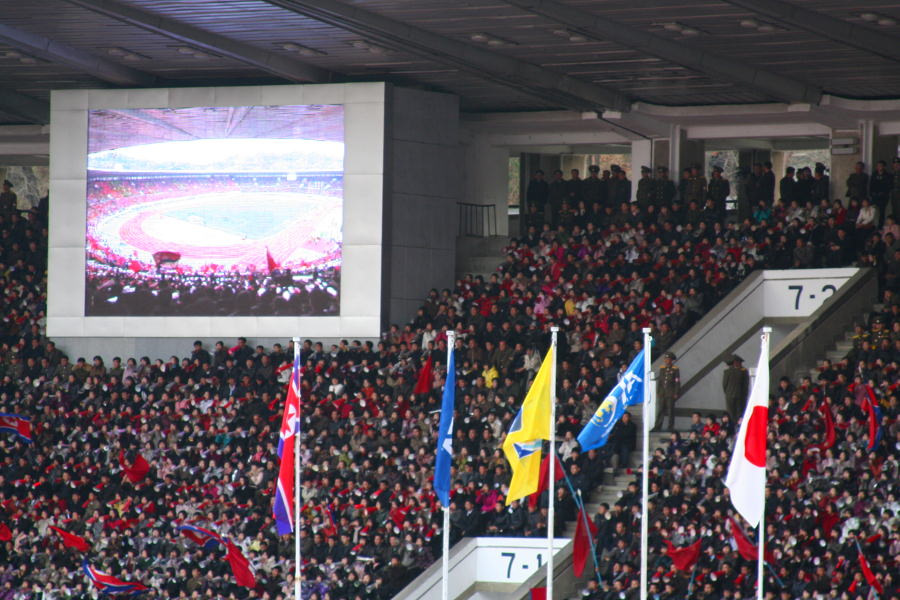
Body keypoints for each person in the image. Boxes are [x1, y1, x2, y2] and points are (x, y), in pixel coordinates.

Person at [655, 351, 680, 431]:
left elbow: (677, 382)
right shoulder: (662, 369)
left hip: (670, 393)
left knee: (670, 410)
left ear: (671, 360)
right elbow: (660, 381)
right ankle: (657, 426)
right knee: (660, 410)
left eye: (668, 359)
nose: (666, 360)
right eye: (665, 359)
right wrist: (658, 392)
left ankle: (670, 427)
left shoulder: (675, 369)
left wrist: (676, 392)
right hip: (662, 393)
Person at [722, 354, 749, 420]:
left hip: (729, 395)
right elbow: (745, 385)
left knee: (731, 413)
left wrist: (728, 392)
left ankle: (732, 425)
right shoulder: (744, 371)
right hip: (740, 395)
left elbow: (724, 384)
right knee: (739, 412)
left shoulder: (727, 371)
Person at [869, 160, 892, 227]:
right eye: (878, 166)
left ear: (884, 167)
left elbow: (888, 186)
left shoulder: (887, 175)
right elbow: (871, 185)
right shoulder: (874, 175)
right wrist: (872, 194)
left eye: (881, 166)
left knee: (882, 212)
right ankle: (873, 225)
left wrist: (883, 193)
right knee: (874, 211)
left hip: (883, 197)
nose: (879, 167)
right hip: (874, 196)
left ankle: (880, 225)